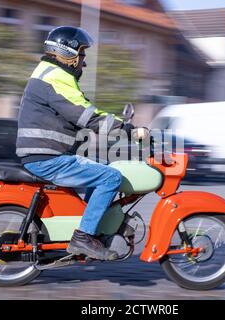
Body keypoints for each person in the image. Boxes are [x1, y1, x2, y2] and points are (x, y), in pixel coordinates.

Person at [16, 26, 146, 260]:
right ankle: (84, 236)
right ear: (68, 53)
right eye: (82, 54)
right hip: (48, 158)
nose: (83, 62)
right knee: (111, 177)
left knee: (102, 165)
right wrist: (127, 130)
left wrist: (119, 125)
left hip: (46, 153)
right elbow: (86, 115)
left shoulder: (49, 73)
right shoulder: (56, 76)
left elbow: (83, 111)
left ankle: (92, 226)